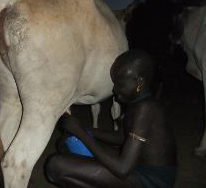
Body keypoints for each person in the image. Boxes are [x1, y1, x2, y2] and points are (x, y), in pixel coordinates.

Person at [45, 49, 177, 188]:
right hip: (136, 164)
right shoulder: (136, 102)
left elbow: (122, 169)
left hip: (151, 180)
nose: (114, 89)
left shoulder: (146, 108)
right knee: (66, 141)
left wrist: (80, 132)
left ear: (139, 82)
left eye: (120, 84)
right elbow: (121, 137)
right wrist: (82, 129)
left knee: (56, 165)